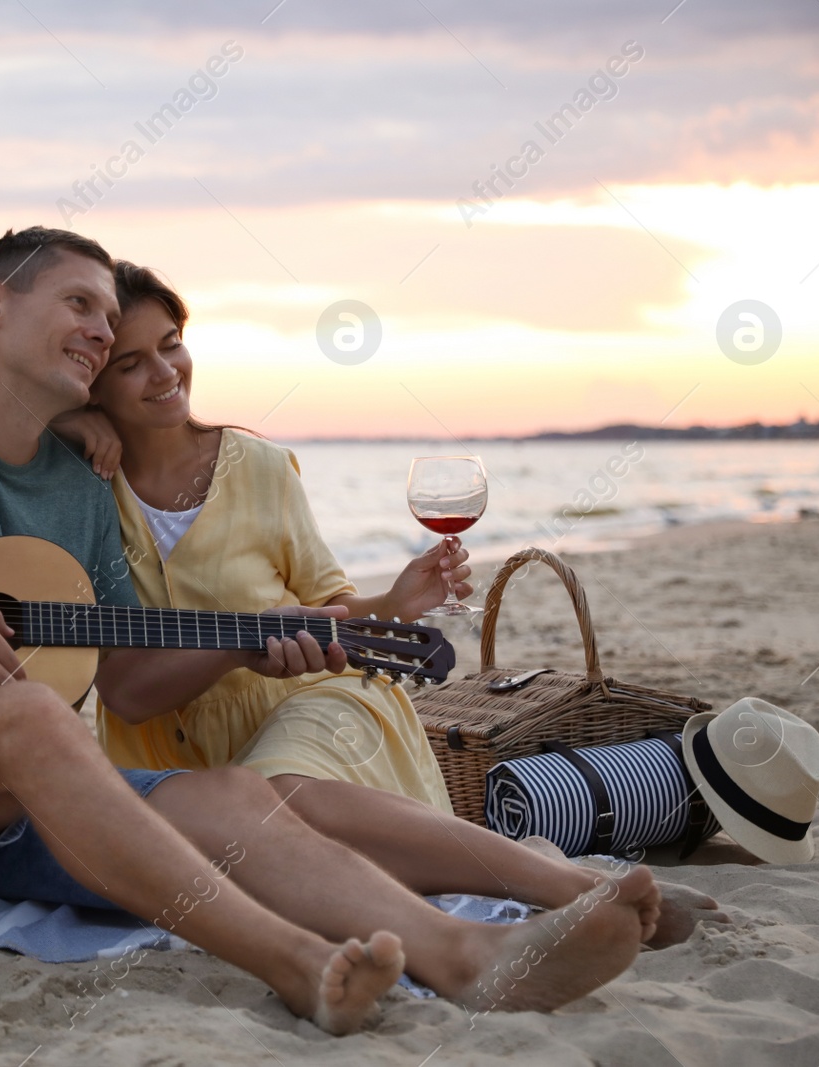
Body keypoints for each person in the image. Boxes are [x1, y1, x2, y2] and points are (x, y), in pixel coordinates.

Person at [0, 226, 662, 1034]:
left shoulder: (77, 482)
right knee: (19, 714)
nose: (102, 329)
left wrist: (251, 640)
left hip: (1, 819)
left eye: (114, 315)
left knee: (230, 793)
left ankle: (467, 955)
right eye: (80, 304)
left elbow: (133, 684)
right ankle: (298, 963)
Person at [54, 260, 724, 942]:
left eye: (170, 343)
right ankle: (524, 870)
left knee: (279, 795)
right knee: (261, 852)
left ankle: (576, 887)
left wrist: (398, 601)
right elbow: (126, 690)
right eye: (131, 363)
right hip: (176, 756)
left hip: (313, 702)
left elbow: (332, 609)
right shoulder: (77, 493)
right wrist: (63, 428)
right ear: (94, 383)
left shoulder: (259, 468)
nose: (165, 372)